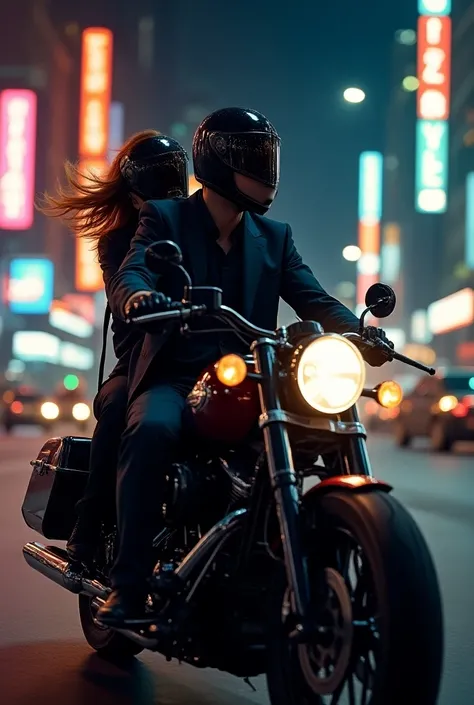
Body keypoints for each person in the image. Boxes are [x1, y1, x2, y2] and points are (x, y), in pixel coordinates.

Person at [97, 107, 392, 627]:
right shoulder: (165, 218)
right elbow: (134, 267)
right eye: (252, 160)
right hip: (177, 376)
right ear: (216, 162)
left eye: (267, 158)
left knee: (319, 428)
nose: (265, 171)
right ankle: (128, 585)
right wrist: (137, 296)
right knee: (151, 431)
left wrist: (361, 331)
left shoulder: (274, 236)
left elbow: (314, 298)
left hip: (254, 379)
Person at [37, 131, 189, 564]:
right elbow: (126, 291)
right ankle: (89, 525)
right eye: (159, 182)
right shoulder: (120, 242)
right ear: (135, 190)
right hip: (137, 365)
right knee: (120, 403)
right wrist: (143, 299)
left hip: (194, 363)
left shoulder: (199, 231)